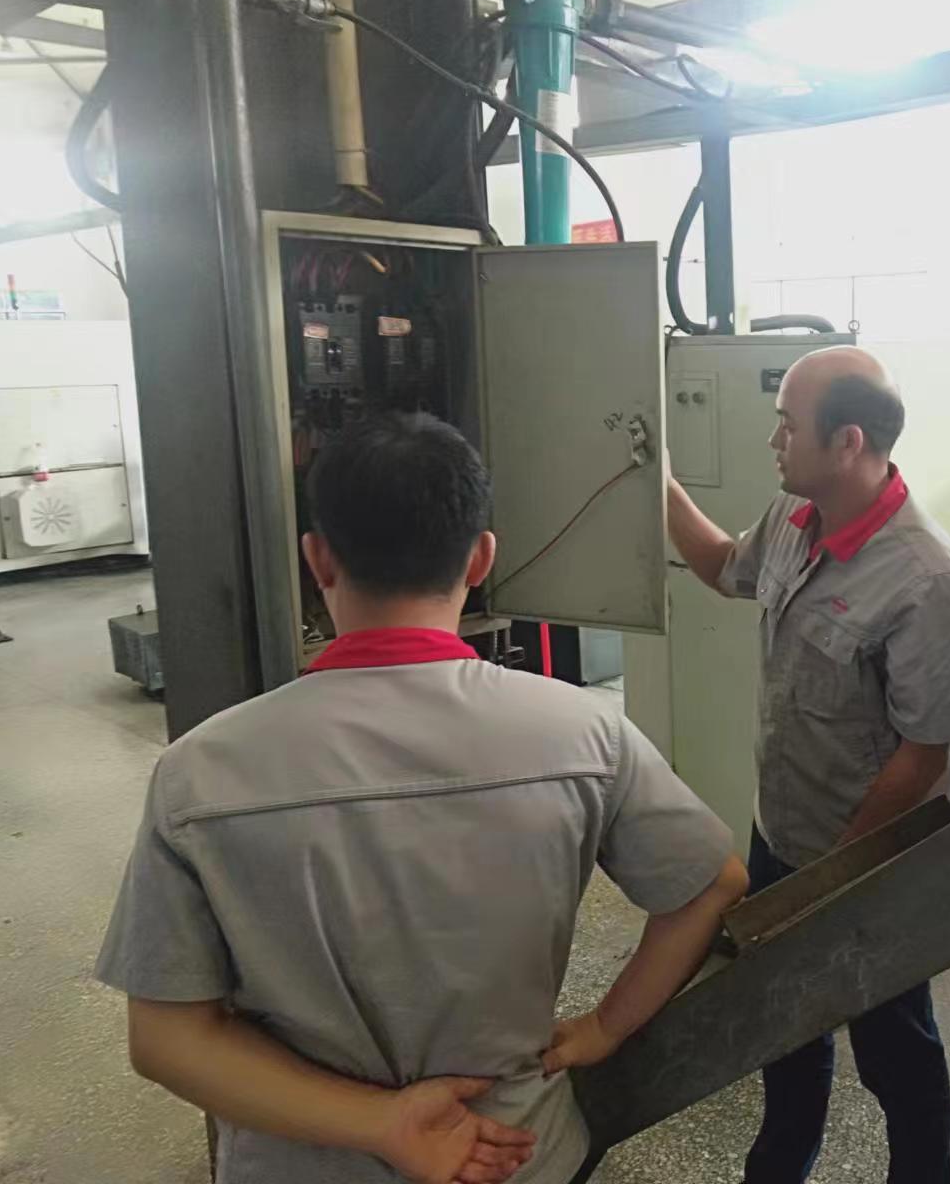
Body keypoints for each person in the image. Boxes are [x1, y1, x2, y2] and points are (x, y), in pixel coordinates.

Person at [95, 412, 748, 1184]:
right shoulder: (585, 733)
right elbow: (711, 884)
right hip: (518, 1154)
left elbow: (168, 1039)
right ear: (481, 558)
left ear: (317, 559)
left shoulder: (199, 772)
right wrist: (606, 1025)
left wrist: (380, 1122)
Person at [667, 346, 950, 1184]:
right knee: (783, 1028)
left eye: (787, 426)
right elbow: (723, 568)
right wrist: (656, 482)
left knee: (893, 1047)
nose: (774, 442)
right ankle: (777, 1167)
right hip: (782, 835)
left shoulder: (928, 581)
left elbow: (922, 755)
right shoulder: (792, 516)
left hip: (866, 864)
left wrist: (832, 881)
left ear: (848, 442)